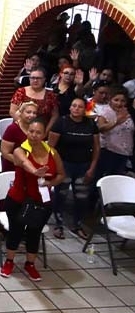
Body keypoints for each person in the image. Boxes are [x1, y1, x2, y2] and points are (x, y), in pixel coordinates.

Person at [0, 119, 65, 282]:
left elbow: (61, 174)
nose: (33, 135)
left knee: (35, 233)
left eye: (38, 132)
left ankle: (30, 264)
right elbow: (24, 162)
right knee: (16, 231)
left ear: (44, 135)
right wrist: (36, 172)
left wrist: (50, 183)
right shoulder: (21, 150)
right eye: (31, 131)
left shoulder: (52, 152)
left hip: (42, 201)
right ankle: (9, 261)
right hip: (18, 199)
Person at [48, 98, 99, 240]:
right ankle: (58, 225)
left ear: (85, 110)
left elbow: (96, 148)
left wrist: (92, 168)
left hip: (84, 165)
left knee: (82, 197)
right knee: (61, 194)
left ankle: (77, 225)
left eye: (80, 107)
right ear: (70, 108)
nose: (76, 109)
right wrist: (56, 168)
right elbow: (51, 147)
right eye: (74, 106)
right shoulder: (61, 123)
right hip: (64, 165)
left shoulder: (90, 124)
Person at [95, 87, 134, 178]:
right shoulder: (105, 111)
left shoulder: (128, 112)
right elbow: (101, 128)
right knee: (104, 179)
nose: (119, 103)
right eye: (116, 100)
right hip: (108, 152)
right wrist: (116, 122)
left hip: (125, 153)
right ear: (110, 99)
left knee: (117, 180)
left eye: (123, 101)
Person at [1, 101, 39, 172]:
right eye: (28, 112)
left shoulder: (36, 128)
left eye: (34, 113)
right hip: (13, 167)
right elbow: (5, 153)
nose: (32, 115)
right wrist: (24, 163)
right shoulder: (12, 129)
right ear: (21, 113)